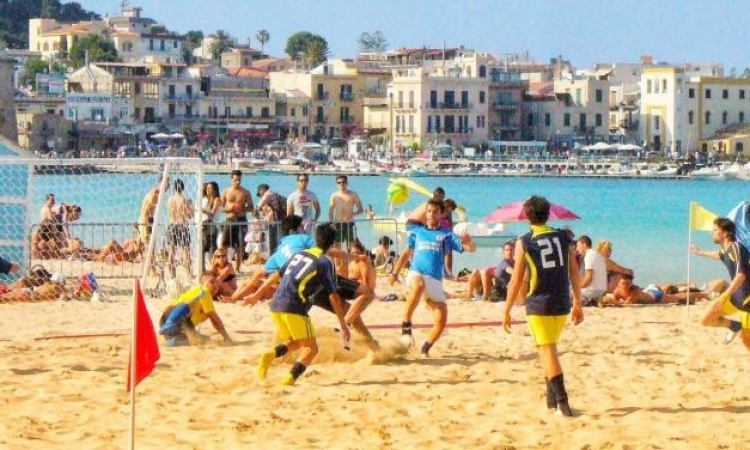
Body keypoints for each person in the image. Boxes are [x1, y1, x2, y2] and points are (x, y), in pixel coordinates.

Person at [503, 195, 583, 417]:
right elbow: (574, 272)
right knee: (547, 348)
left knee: (547, 350)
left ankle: (563, 405)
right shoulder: (563, 237)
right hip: (562, 302)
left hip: (540, 302)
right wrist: (578, 302)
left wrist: (507, 309)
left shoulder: (525, 241)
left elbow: (516, 278)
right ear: (548, 214)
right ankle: (551, 402)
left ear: (527, 216)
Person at [256, 223, 350, 386]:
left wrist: (257, 294)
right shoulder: (325, 262)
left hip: (276, 304)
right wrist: (343, 325)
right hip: (294, 307)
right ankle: (288, 380)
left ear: (316, 238)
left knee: (297, 341)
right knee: (312, 349)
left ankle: (269, 356)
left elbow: (277, 274)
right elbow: (333, 297)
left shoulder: (300, 254)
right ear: (333, 243)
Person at [389, 199, 476, 357]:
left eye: (434, 212)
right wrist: (395, 273)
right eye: (428, 211)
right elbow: (405, 254)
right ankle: (406, 325)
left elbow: (470, 249)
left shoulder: (447, 235)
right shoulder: (417, 231)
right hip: (417, 274)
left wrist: (470, 243)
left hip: (435, 281)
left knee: (441, 321)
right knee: (419, 285)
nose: (430, 214)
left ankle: (425, 349)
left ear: (442, 214)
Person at [690, 217, 750, 349]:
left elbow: (742, 274)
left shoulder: (737, 247)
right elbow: (720, 255)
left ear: (726, 233)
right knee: (706, 320)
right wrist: (700, 252)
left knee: (747, 342)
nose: (712, 232)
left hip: (747, 302)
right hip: (735, 298)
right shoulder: (727, 250)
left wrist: (724, 296)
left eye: (715, 230)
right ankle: (735, 325)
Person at [158, 273, 232, 346]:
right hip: (170, 316)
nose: (215, 284)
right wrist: (226, 337)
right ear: (202, 284)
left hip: (179, 324)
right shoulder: (203, 291)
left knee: (201, 340)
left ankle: (173, 339)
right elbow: (214, 319)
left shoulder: (206, 301)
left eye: (217, 282)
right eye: (212, 282)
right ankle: (169, 323)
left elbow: (214, 320)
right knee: (192, 302)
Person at [600, 274, 715, 306]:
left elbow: (626, 304)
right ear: (619, 283)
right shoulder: (618, 291)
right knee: (678, 294)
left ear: (630, 284)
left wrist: (612, 302)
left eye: (626, 284)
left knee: (680, 296)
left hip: (656, 296)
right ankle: (702, 293)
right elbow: (616, 299)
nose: (624, 286)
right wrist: (610, 301)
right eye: (622, 283)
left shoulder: (634, 291)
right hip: (650, 291)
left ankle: (704, 294)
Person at [220, 170, 254, 266]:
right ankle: (224, 264)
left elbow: (251, 207)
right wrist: (230, 208)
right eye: (235, 180)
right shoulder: (226, 192)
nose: (237, 182)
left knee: (240, 245)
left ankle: (238, 268)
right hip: (229, 220)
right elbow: (220, 208)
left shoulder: (246, 192)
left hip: (241, 220)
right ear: (231, 179)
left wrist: (242, 208)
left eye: (239, 180)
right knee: (224, 244)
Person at [166, 179, 194, 279]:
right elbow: (190, 215)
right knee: (186, 251)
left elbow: (170, 213)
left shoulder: (170, 200)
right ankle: (189, 274)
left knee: (171, 252)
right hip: (182, 226)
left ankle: (172, 274)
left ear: (174, 187)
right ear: (183, 188)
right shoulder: (184, 200)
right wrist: (191, 205)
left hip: (172, 225)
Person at [575, 235, 608, 306]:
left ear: (584, 244)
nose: (577, 249)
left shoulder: (588, 256)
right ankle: (596, 299)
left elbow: (588, 278)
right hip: (602, 290)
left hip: (592, 291)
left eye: (578, 246)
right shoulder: (597, 254)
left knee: (569, 293)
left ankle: (589, 300)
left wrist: (577, 287)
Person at [256, 183, 287, 253]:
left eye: (260, 193)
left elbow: (259, 205)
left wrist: (257, 211)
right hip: (282, 219)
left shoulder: (268, 193)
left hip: (281, 219)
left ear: (262, 190)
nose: (260, 196)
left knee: (277, 239)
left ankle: (275, 253)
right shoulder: (274, 195)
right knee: (279, 238)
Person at [139, 175, 169, 245]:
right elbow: (145, 212)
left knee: (150, 246)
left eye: (169, 184)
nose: (168, 186)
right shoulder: (154, 194)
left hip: (147, 220)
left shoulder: (155, 193)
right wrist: (148, 225)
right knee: (148, 246)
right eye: (167, 184)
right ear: (160, 183)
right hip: (146, 221)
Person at [201, 181, 221, 270]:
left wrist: (202, 210)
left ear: (214, 190)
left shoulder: (217, 199)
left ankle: (214, 268)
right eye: (207, 188)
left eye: (209, 188)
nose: (207, 190)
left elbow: (212, 214)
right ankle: (203, 269)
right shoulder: (207, 199)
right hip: (205, 225)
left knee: (212, 249)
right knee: (202, 247)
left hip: (212, 226)